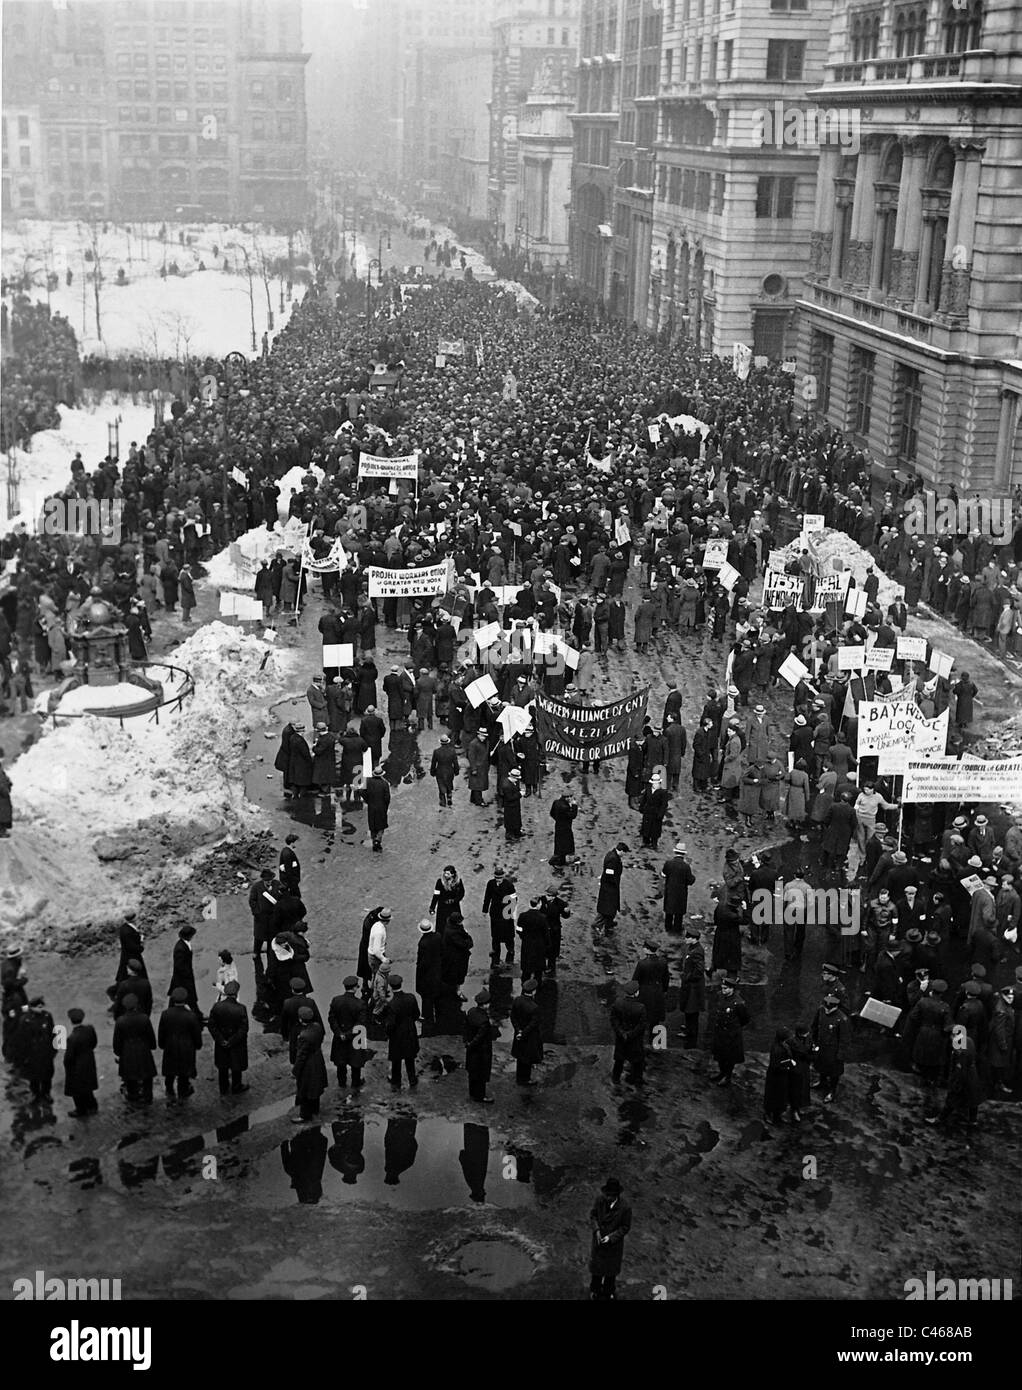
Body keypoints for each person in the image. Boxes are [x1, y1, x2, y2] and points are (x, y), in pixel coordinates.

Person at [589, 1177, 632, 1301]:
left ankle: (608, 1292)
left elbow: (625, 1227)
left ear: (617, 1195)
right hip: (599, 1242)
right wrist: (596, 1230)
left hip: (613, 1246)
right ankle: (595, 1291)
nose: (608, 1198)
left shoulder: (625, 1208)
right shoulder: (599, 1201)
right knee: (597, 1271)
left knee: (610, 1272)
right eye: (607, 1195)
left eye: (611, 1195)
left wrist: (611, 1237)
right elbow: (593, 1216)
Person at [158, 986, 203, 1099]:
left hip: (170, 1046)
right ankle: (183, 1091)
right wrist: (198, 1045)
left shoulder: (166, 1014)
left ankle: (169, 1089)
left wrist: (162, 1044)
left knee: (170, 1071)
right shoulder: (191, 1016)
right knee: (184, 1073)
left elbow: (161, 1032)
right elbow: (196, 1034)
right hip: (186, 1047)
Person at [206, 980, 249, 1096]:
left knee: (222, 1066)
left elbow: (211, 1025)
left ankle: (223, 1088)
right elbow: (243, 1029)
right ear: (236, 994)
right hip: (236, 1044)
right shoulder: (241, 1009)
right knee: (236, 1066)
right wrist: (231, 1041)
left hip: (221, 1043)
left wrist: (221, 1040)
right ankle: (236, 1086)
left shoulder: (217, 1006)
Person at [113, 994, 157, 1102]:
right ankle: (147, 1095)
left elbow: (117, 1040)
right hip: (143, 1048)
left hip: (127, 1050)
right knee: (146, 1074)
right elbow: (150, 1035)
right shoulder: (144, 1018)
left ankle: (133, 1095)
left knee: (130, 1075)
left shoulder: (120, 1021)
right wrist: (151, 1046)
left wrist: (119, 1052)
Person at [10, 996, 56, 1100]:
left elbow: (52, 1033)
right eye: (39, 1007)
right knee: (34, 1076)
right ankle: (35, 1093)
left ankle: (46, 1093)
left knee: (47, 1075)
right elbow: (21, 1039)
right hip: (32, 1053)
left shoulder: (47, 1016)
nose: (41, 1009)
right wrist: (23, 1056)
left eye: (42, 1006)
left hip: (45, 1052)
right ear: (32, 1007)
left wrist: (53, 1050)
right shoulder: (25, 1020)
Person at [328, 976, 368, 1088]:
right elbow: (360, 1023)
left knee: (341, 1062)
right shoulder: (360, 1004)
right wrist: (348, 1034)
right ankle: (355, 1084)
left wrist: (339, 1033)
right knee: (356, 1063)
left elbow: (332, 1019)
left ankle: (342, 1083)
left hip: (339, 1037)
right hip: (356, 1038)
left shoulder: (336, 1000)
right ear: (355, 988)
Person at [383, 973, 420, 1089]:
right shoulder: (411, 997)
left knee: (396, 1061)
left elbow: (390, 1024)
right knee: (410, 1060)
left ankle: (396, 1082)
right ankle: (412, 1080)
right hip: (410, 1033)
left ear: (390, 986)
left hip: (397, 1036)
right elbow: (416, 1015)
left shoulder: (391, 1004)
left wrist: (388, 1034)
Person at [710, 978, 749, 1086]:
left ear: (732, 989)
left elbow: (745, 1019)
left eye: (726, 988)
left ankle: (727, 1077)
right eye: (722, 988)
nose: (723, 990)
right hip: (720, 1032)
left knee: (729, 1057)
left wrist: (734, 1028)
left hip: (731, 1034)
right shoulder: (721, 996)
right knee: (720, 1055)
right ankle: (722, 1073)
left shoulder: (738, 1003)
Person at [811, 993, 850, 1103]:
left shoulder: (842, 1019)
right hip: (822, 1046)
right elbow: (815, 1026)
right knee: (820, 1066)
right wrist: (813, 1042)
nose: (827, 1010)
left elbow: (845, 1040)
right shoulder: (821, 1011)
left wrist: (840, 1055)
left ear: (836, 1007)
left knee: (834, 1072)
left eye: (830, 1008)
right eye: (826, 1007)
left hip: (834, 1050)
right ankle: (821, 1082)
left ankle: (831, 1091)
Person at [292, 1006, 328, 1122]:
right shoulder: (317, 1027)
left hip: (308, 1064)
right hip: (318, 1059)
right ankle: (315, 1109)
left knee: (305, 1088)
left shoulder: (304, 1036)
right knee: (315, 1086)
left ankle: (304, 1115)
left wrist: (295, 1071)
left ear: (301, 1019)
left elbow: (301, 1056)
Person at [63, 1007, 99, 1117]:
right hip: (89, 1061)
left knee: (77, 1090)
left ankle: (81, 1110)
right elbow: (94, 1042)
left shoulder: (72, 1038)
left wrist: (67, 1065)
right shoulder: (89, 1029)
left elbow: (68, 1057)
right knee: (88, 1087)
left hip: (77, 1066)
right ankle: (92, 1106)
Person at [610, 980, 647, 1085]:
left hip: (621, 1038)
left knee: (619, 1060)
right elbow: (641, 1025)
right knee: (637, 1060)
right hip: (634, 1040)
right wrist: (631, 1035)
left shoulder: (618, 1003)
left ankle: (616, 1078)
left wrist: (621, 1033)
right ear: (636, 993)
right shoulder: (640, 1008)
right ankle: (637, 1078)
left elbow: (613, 1019)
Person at [465, 989, 497, 1103]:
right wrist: (472, 1044)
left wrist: (467, 1043)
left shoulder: (471, 1012)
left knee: (472, 1072)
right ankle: (480, 1096)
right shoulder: (484, 1021)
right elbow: (480, 1037)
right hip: (481, 1052)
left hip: (471, 1050)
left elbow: (466, 1028)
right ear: (486, 1004)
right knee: (481, 1074)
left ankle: (472, 1092)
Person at [510, 977, 543, 1086]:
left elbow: (513, 1017)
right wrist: (523, 1033)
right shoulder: (534, 1007)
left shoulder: (517, 1000)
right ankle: (525, 1079)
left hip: (519, 1033)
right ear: (533, 991)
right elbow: (533, 1024)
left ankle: (519, 1077)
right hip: (529, 1036)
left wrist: (518, 1030)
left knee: (520, 1055)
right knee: (527, 1057)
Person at [676, 928, 706, 1046]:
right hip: (690, 985)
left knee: (691, 1010)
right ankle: (689, 1027)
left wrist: (688, 977)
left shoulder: (697, 951)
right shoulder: (692, 948)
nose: (685, 939)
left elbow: (699, 970)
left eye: (688, 937)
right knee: (689, 1009)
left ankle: (691, 1033)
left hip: (693, 987)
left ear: (694, 939)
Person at [483, 867, 517, 965]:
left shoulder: (509, 885)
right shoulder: (490, 884)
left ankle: (510, 949)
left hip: (506, 912)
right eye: (496, 878)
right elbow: (487, 897)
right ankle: (495, 949)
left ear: (503, 876)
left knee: (508, 934)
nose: (498, 879)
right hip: (495, 912)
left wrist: (511, 913)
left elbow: (514, 900)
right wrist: (485, 910)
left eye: (500, 878)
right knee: (495, 933)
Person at [415, 920, 444, 1028]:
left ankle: (428, 1018)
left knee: (426, 997)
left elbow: (423, 962)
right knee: (436, 993)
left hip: (427, 974)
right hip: (437, 969)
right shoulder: (437, 936)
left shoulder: (423, 943)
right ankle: (439, 1015)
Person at [764, 1027, 795, 1124]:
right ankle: (768, 1114)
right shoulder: (778, 1049)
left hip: (781, 1076)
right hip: (776, 1077)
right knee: (773, 1096)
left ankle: (777, 1114)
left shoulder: (781, 1045)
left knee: (781, 1096)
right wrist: (788, 1067)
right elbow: (775, 1066)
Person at [661, 843, 695, 932]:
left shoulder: (668, 863)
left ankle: (667, 928)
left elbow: (663, 874)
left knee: (669, 911)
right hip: (681, 893)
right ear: (684, 854)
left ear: (675, 852)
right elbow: (690, 880)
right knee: (679, 913)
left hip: (670, 891)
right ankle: (677, 928)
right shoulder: (686, 866)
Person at [596, 843, 626, 929]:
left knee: (611, 908)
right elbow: (609, 874)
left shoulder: (613, 856)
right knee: (607, 909)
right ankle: (598, 925)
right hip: (609, 888)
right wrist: (614, 882)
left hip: (611, 887)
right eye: (624, 853)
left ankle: (609, 923)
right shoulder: (612, 859)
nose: (624, 855)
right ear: (621, 851)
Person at [363, 765, 391, 851]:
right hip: (381, 808)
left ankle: (373, 840)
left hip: (372, 807)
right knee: (380, 826)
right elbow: (387, 798)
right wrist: (385, 807)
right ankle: (377, 840)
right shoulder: (385, 784)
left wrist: (368, 801)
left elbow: (363, 792)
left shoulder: (368, 782)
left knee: (373, 826)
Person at [430, 864, 465, 930]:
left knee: (455, 926)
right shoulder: (439, 882)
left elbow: (461, 893)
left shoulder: (458, 882)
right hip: (442, 908)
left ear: (453, 874)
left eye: (447, 874)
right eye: (445, 873)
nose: (445, 875)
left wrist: (454, 900)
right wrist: (432, 907)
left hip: (454, 908)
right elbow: (436, 895)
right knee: (442, 927)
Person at [638, 772, 668, 848]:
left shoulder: (663, 792)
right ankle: (646, 841)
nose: (655, 784)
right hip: (648, 812)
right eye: (654, 783)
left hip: (656, 813)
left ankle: (654, 843)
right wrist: (641, 808)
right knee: (646, 827)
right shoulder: (648, 790)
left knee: (655, 829)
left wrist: (660, 814)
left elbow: (664, 805)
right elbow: (644, 800)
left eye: (657, 783)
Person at [549, 788, 579, 866]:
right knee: (565, 844)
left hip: (558, 826)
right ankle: (559, 861)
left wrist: (558, 820)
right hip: (565, 828)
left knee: (559, 843)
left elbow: (552, 813)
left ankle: (561, 859)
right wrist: (574, 806)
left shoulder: (556, 802)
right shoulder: (564, 807)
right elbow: (573, 815)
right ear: (567, 797)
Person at [430, 734, 459, 807]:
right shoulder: (452, 751)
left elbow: (433, 763)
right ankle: (449, 798)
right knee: (449, 784)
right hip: (450, 771)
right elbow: (455, 763)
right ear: (448, 742)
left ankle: (443, 801)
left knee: (441, 786)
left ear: (441, 742)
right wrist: (456, 771)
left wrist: (432, 772)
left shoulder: (436, 751)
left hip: (440, 771)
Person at [501, 767, 524, 840]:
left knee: (516, 819)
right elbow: (509, 798)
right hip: (510, 806)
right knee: (510, 821)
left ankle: (517, 831)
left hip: (515, 805)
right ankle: (509, 834)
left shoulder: (513, 782)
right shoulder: (507, 785)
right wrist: (520, 794)